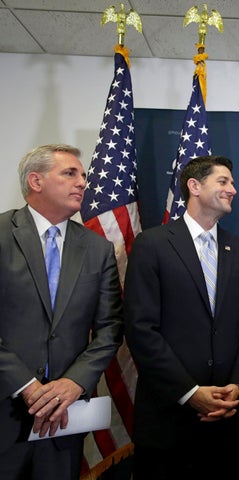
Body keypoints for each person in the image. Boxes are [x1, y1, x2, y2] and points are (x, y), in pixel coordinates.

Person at [123, 155, 239, 479]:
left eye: (232, 182)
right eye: (224, 181)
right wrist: (190, 392)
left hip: (226, 420)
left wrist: (238, 387)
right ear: (194, 186)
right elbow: (141, 328)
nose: (233, 189)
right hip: (168, 420)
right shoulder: (153, 244)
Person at [0, 144, 123, 479]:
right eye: (70, 173)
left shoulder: (97, 249)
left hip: (65, 420)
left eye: (83, 175)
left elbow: (110, 328)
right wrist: (27, 385)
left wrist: (73, 382)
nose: (82, 182)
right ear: (35, 181)